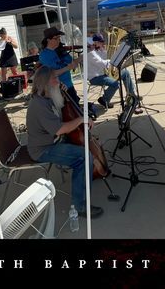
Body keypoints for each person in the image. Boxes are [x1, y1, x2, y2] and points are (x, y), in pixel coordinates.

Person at [26, 66, 104, 218]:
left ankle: (83, 185)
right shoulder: (39, 105)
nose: (58, 81)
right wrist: (81, 119)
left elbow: (62, 111)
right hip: (43, 149)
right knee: (84, 157)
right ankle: (80, 206)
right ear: (44, 83)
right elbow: (60, 129)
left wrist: (62, 92)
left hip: (52, 142)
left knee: (83, 151)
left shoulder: (45, 98)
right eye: (54, 79)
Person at [87, 34, 142, 114]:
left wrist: (108, 52)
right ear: (95, 42)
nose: (103, 43)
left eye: (103, 42)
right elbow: (103, 63)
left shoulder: (99, 51)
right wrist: (112, 60)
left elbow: (107, 58)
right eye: (101, 42)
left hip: (103, 74)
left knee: (125, 73)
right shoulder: (91, 53)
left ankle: (132, 97)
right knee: (116, 84)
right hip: (95, 77)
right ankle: (105, 99)